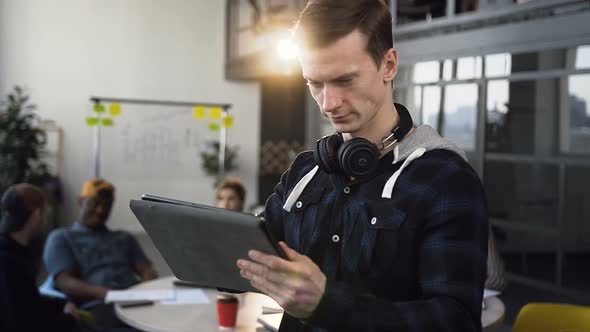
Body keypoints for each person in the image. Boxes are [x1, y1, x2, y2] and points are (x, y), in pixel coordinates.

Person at [236, 1, 489, 331]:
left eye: (345, 80)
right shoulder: (305, 171)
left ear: (389, 65)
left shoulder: (445, 180)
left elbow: (456, 322)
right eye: (315, 83)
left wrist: (327, 304)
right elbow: (251, 256)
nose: (329, 104)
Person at [43, 178, 157, 328]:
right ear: (81, 201)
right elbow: (65, 281)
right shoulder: (62, 237)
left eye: (107, 205)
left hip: (134, 300)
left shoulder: (124, 237)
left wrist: (148, 291)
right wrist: (109, 294)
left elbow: (147, 269)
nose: (101, 210)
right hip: (97, 306)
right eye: (95, 203)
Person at [0, 184, 80, 332]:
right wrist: (68, 319)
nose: (45, 219)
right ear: (37, 215)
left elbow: (29, 302)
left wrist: (61, 304)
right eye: (45, 213)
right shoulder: (8, 262)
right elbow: (23, 324)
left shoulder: (16, 252)